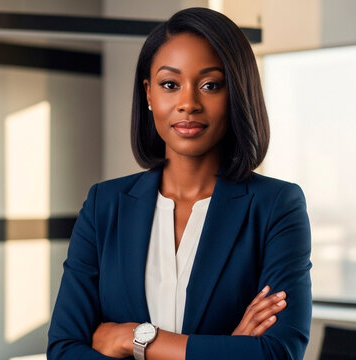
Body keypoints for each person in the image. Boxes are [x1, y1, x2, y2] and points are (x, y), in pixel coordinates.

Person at [47, 7, 311, 360]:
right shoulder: (104, 205)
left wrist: (135, 339)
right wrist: (227, 349)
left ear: (236, 93)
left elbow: (276, 353)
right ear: (149, 94)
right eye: (170, 85)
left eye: (210, 85)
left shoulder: (276, 206)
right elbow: (64, 350)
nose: (188, 104)